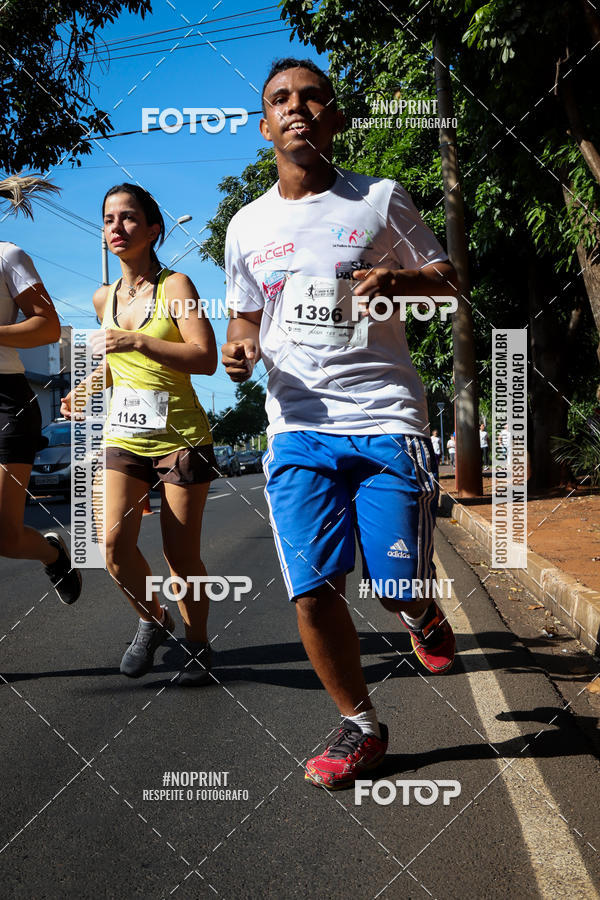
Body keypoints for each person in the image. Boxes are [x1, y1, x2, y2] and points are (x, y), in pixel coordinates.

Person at [222, 58, 458, 789]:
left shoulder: (381, 201)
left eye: (312, 96)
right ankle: (361, 725)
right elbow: (243, 315)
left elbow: (450, 281)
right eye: (280, 100)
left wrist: (402, 279)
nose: (297, 107)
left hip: (387, 420)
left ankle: (417, 610)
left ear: (336, 118)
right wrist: (238, 347)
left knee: (388, 583)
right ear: (265, 128)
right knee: (314, 590)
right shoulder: (246, 225)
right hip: (296, 429)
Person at [61, 183, 218, 683]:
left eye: (128, 218)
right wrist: (84, 388)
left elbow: (205, 357)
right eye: (109, 219)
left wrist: (137, 340)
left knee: (180, 554)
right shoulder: (102, 296)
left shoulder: (177, 286)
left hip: (181, 437)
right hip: (125, 435)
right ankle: (152, 619)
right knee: (111, 545)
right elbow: (114, 364)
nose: (116, 228)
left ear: (152, 230)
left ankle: (196, 645)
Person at [0, 175, 81, 604]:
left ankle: (53, 553)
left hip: (5, 403)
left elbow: (48, 326)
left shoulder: (8, 256)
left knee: (5, 537)